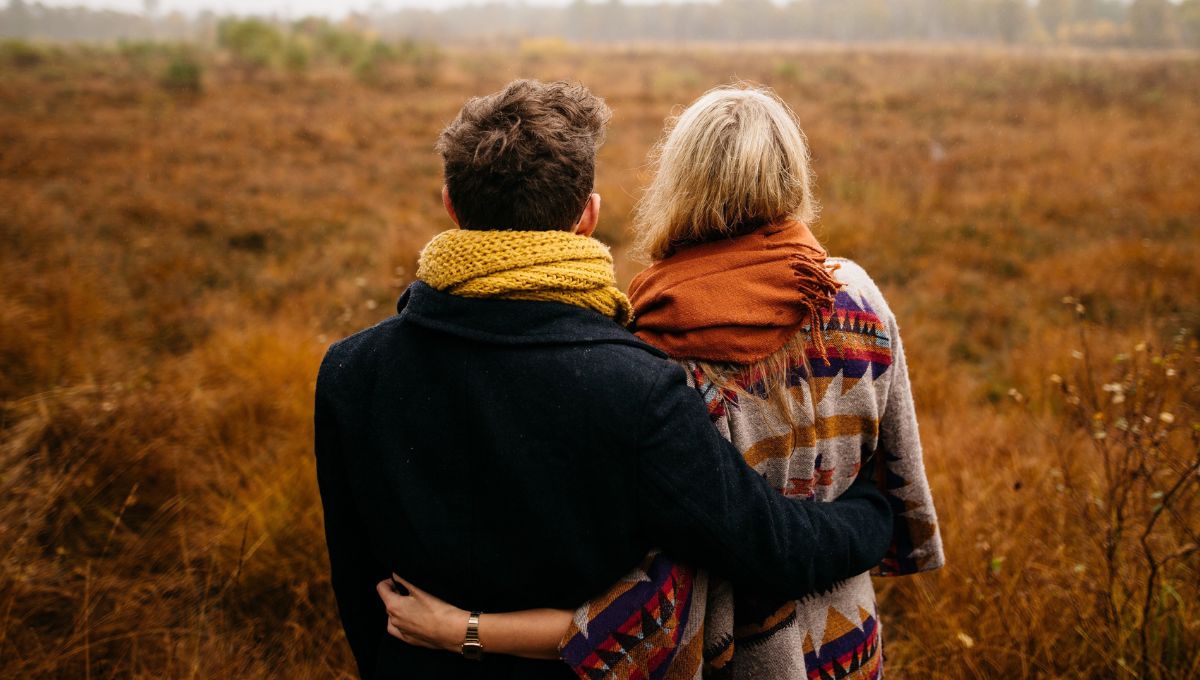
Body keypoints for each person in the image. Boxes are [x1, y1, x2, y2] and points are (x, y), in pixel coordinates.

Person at [314, 79, 895, 680]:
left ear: (451, 205)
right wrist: (873, 516)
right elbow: (768, 545)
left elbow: (357, 588)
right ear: (588, 215)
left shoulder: (348, 371)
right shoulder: (638, 385)